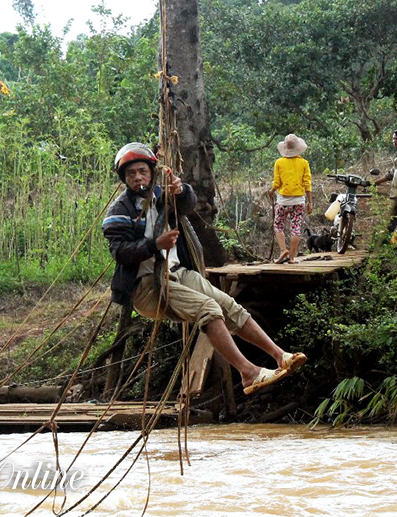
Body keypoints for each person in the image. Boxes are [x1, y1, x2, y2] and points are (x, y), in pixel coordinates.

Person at [102, 142, 307, 395]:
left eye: (142, 171)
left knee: (227, 305)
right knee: (208, 309)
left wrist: (180, 190)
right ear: (124, 178)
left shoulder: (162, 195)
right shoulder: (119, 211)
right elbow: (121, 252)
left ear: (152, 172)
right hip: (148, 286)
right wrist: (155, 245)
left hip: (178, 273)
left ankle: (280, 356)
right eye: (131, 173)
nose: (138, 177)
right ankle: (248, 373)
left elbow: (187, 205)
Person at [269, 134, 312, 263]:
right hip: (299, 201)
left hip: (283, 200)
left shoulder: (279, 162)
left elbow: (277, 182)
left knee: (278, 225)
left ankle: (283, 250)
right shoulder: (304, 163)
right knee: (296, 228)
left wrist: (272, 191)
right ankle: (292, 258)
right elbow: (307, 184)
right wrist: (310, 202)